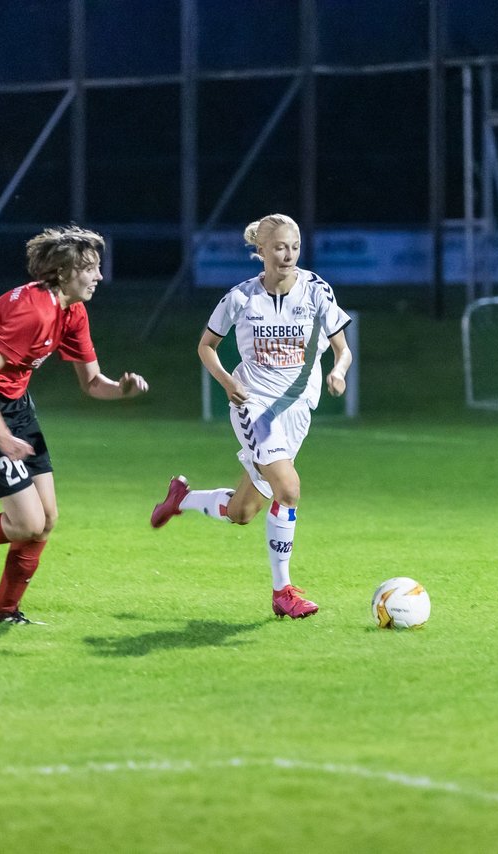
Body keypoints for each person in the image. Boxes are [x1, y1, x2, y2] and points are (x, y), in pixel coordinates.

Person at [0, 224, 148, 625]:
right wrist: (0, 434)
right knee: (26, 522)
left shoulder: (72, 311)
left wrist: (120, 389)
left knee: (46, 519)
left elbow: (91, 383)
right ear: (65, 271)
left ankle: (3, 611)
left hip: (15, 407)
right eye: (91, 268)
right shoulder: (32, 312)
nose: (99, 276)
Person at [150, 213, 352, 619]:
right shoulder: (240, 298)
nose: (288, 254)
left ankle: (181, 499)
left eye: (294, 246)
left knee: (242, 513)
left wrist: (338, 371)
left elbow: (341, 347)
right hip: (254, 405)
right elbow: (206, 346)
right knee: (289, 490)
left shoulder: (316, 291)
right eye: (279, 247)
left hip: (297, 409)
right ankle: (283, 592)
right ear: (260, 251)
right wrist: (227, 382)